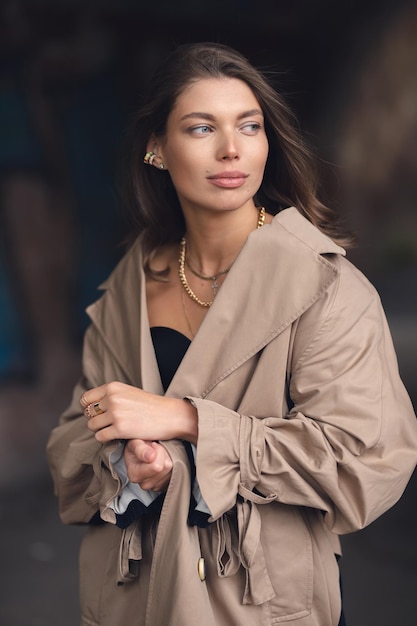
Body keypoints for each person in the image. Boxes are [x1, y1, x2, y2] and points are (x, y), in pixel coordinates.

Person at [46, 42, 417, 626]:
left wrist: (188, 423)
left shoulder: (323, 285)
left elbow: (364, 459)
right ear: (157, 149)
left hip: (263, 601)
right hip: (134, 600)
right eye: (200, 128)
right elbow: (72, 445)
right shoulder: (129, 286)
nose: (231, 149)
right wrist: (127, 463)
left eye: (250, 126)